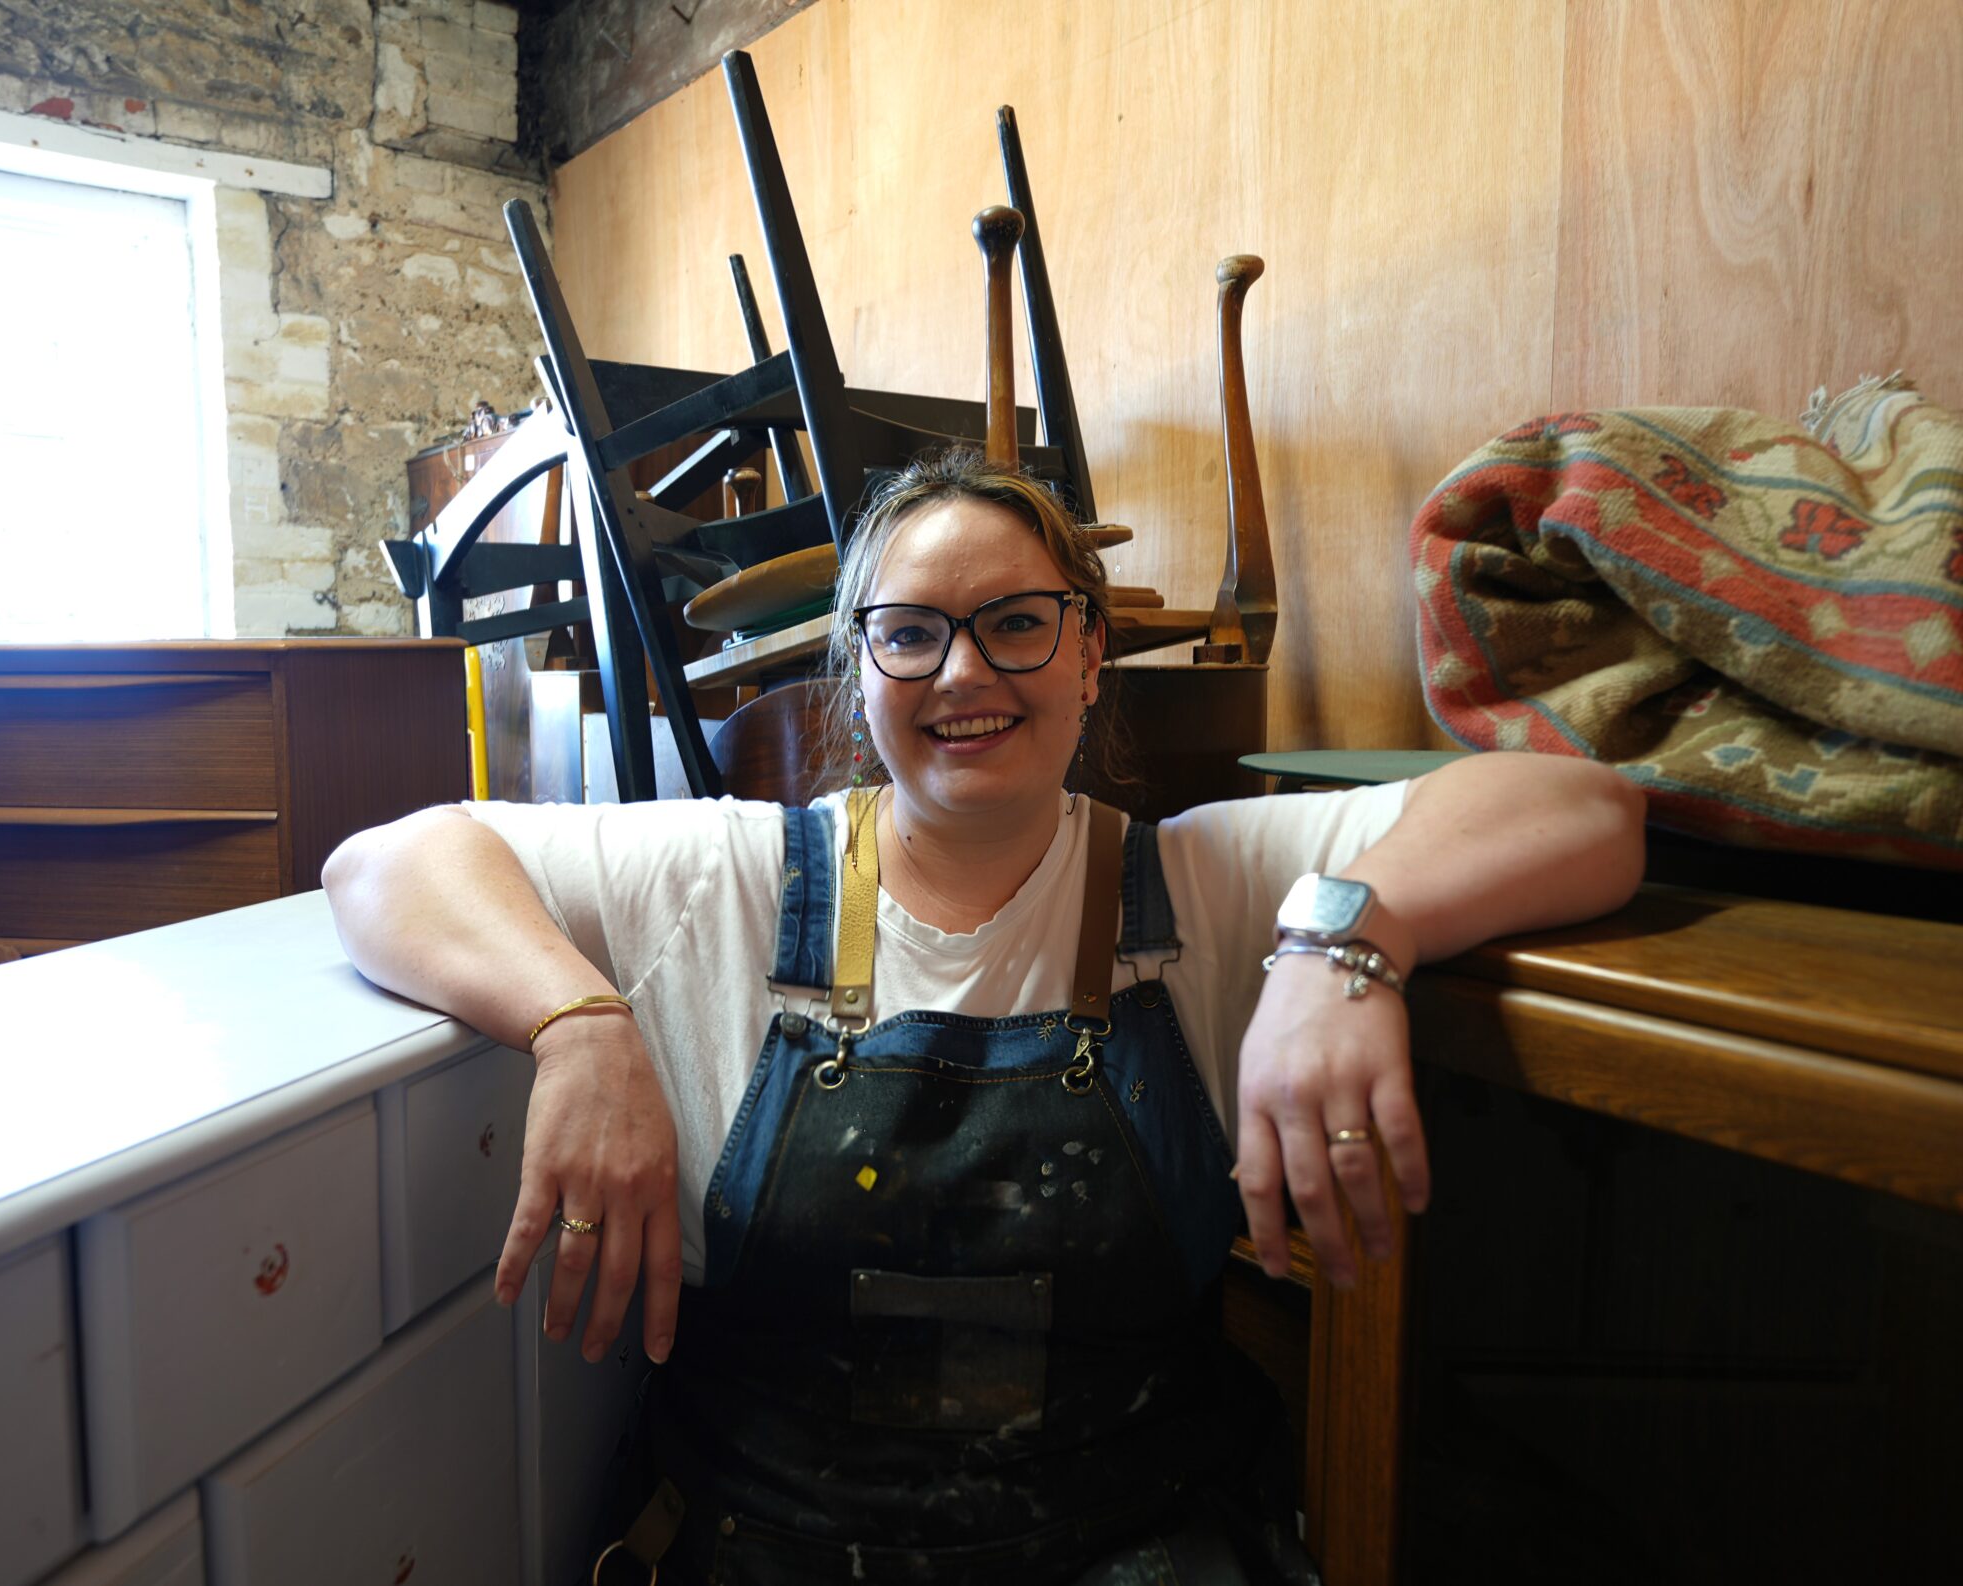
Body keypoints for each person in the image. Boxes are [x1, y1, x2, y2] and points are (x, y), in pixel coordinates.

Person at [324, 449, 1647, 1583]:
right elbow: (383, 863)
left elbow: (1585, 810)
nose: (966, 671)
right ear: (861, 673)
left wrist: (1340, 936)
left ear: (1088, 655)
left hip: (1134, 1540)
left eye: (1017, 622)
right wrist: (578, 1020)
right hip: (770, 1539)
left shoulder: (1202, 879)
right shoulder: (729, 875)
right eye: (912, 632)